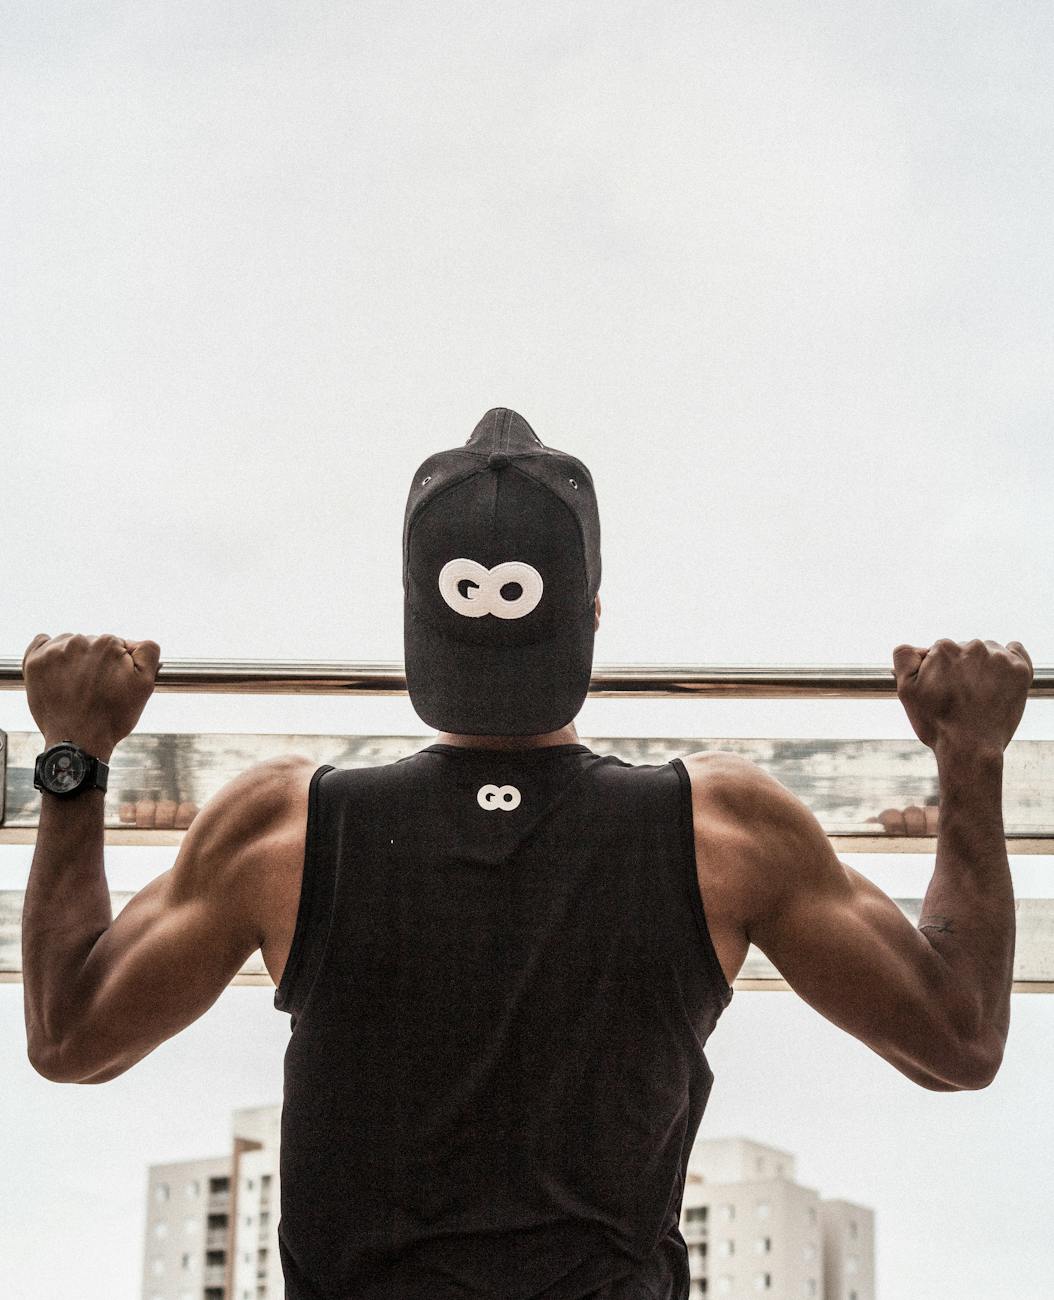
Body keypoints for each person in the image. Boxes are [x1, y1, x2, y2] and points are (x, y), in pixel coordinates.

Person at [20, 407, 1034, 1299]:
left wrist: (75, 752)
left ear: (416, 622)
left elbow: (71, 1036)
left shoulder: (278, 827)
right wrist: (969, 759)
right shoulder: (725, 828)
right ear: (590, 616)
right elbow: (958, 1040)